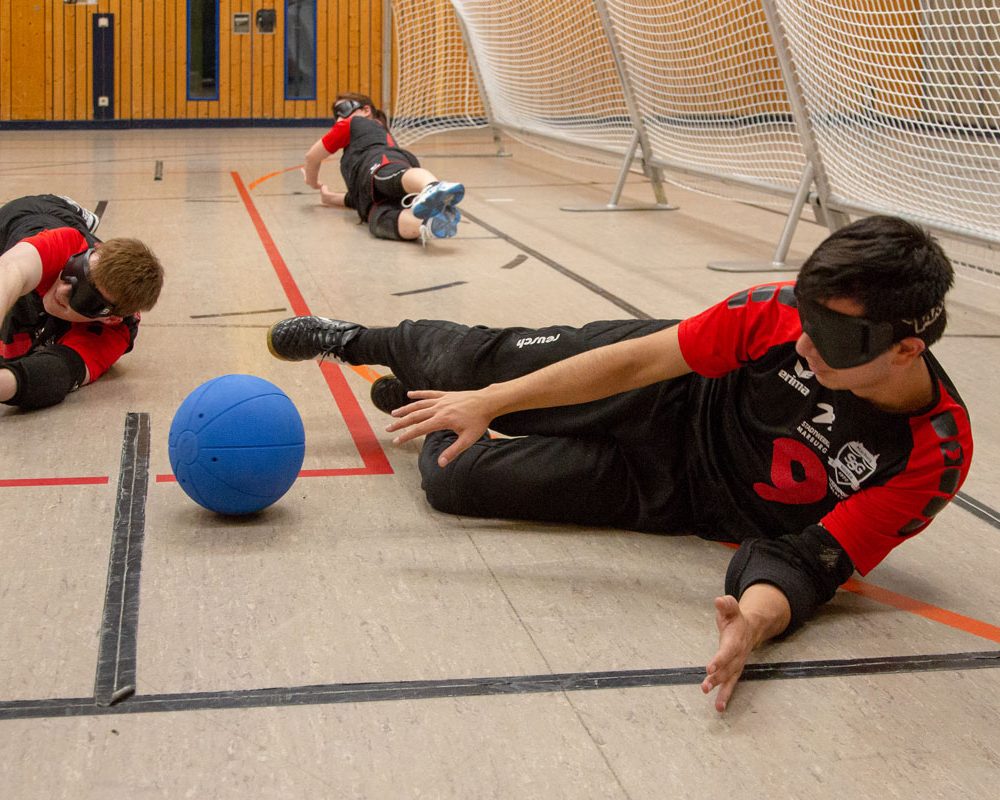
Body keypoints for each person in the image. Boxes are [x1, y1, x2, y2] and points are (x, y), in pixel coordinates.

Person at [265, 215, 972, 711]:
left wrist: (753, 624)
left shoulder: (933, 454)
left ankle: (420, 404)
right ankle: (356, 340)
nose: (805, 344)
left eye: (832, 338)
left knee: (453, 479)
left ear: (905, 349)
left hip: (677, 497)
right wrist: (491, 400)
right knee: (476, 368)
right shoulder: (776, 314)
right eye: (807, 318)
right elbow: (641, 360)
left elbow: (811, 561)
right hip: (667, 395)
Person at [0, 194, 164, 411]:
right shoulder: (68, 245)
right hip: (26, 217)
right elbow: (10, 269)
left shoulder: (116, 333)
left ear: (110, 318)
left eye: (84, 297)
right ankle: (70, 211)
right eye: (75, 272)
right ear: (88, 254)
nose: (62, 291)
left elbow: (60, 371)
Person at [303, 92, 465, 243]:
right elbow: (358, 198)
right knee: (381, 220)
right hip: (371, 188)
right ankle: (429, 224)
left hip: (382, 161)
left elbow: (312, 157)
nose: (339, 117)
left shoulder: (355, 123)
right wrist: (329, 198)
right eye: (336, 114)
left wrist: (312, 182)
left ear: (366, 110)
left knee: (389, 176)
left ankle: (432, 186)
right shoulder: (354, 150)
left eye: (344, 110)